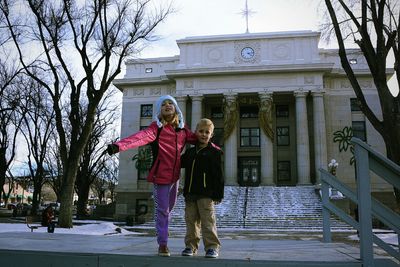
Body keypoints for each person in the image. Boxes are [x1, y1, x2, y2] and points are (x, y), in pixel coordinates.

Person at [107, 95, 196, 257]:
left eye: (171, 103)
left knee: (169, 210)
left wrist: (213, 145)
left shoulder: (182, 130)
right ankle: (163, 244)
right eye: (164, 104)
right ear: (159, 110)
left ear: (176, 108)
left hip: (175, 177)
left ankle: (163, 237)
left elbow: (199, 139)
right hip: (160, 176)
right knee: (162, 210)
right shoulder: (156, 129)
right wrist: (118, 146)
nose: (168, 106)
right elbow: (139, 137)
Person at [180, 118, 224, 258]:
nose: (204, 134)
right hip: (190, 193)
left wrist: (218, 194)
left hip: (206, 194)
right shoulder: (190, 153)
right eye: (201, 131)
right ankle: (190, 246)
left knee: (208, 222)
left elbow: (218, 176)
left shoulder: (214, 153)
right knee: (191, 222)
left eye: (207, 132)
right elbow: (177, 163)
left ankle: (212, 247)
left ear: (211, 135)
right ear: (196, 132)